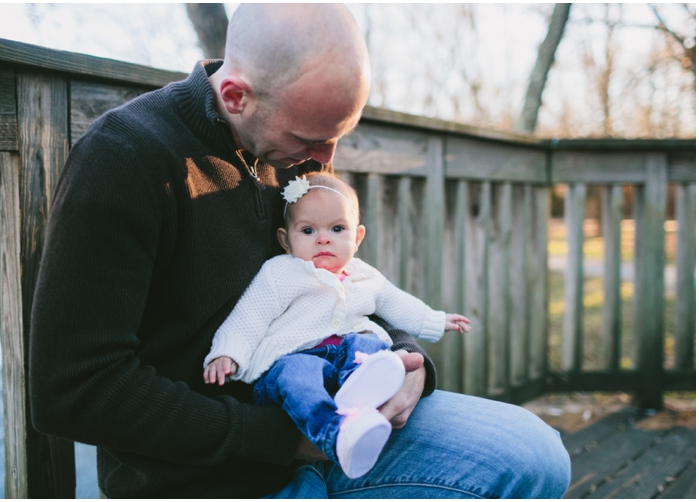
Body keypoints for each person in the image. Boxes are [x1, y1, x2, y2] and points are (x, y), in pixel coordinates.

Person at [29, 3, 571, 498]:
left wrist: (408, 361)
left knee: (536, 456)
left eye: (338, 134)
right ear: (237, 96)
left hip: (337, 420)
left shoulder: (292, 152)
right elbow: (74, 390)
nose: (325, 157)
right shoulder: (125, 159)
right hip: (210, 474)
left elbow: (343, 278)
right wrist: (278, 440)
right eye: (312, 138)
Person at [203, 173, 471, 479]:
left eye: (337, 228)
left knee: (367, 342)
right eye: (307, 230)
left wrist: (436, 320)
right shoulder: (280, 272)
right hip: (292, 362)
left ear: (357, 238)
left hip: (345, 361)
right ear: (285, 239)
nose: (323, 238)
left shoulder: (365, 275)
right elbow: (249, 316)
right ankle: (336, 434)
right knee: (297, 375)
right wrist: (227, 354)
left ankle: (367, 388)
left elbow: (397, 303)